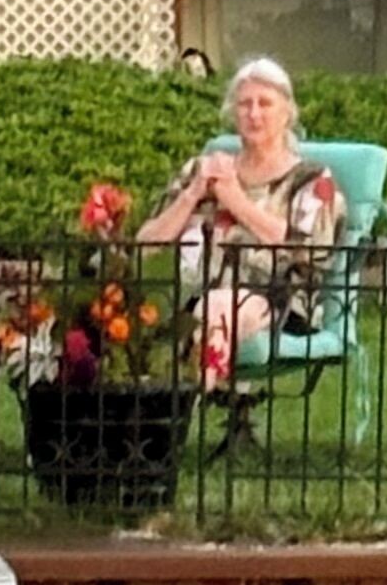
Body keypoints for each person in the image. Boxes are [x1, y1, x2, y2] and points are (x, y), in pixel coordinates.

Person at [139, 56, 344, 395]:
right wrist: (193, 194)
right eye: (245, 104)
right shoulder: (204, 170)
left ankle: (192, 401)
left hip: (277, 300)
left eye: (265, 103)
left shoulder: (311, 179)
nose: (254, 113)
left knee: (217, 308)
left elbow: (310, 251)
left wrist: (234, 200)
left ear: (287, 113)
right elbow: (146, 243)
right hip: (190, 293)